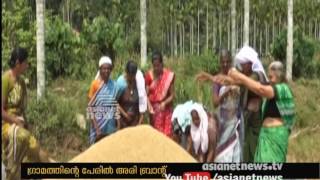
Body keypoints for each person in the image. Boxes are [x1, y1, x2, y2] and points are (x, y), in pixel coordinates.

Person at [212, 61, 295, 162]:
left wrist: (240, 76)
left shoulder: (282, 89)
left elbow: (260, 89)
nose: (269, 80)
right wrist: (225, 79)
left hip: (275, 136)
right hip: (265, 135)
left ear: (278, 75)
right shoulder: (272, 86)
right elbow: (250, 84)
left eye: (271, 77)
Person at [2, 47, 51, 180]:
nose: (27, 66)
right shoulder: (5, 79)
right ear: (18, 63)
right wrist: (15, 121)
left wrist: (26, 125)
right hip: (6, 125)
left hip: (19, 124)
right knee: (21, 136)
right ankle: (11, 175)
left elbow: (23, 109)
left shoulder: (22, 82)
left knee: (37, 149)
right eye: (25, 63)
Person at [196, 50, 242, 162]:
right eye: (223, 62)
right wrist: (225, 93)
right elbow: (215, 102)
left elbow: (239, 85)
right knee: (223, 152)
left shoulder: (236, 76)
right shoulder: (217, 80)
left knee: (236, 152)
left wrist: (209, 76)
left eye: (227, 62)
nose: (225, 64)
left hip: (236, 121)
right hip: (223, 122)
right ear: (220, 62)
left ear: (230, 61)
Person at [234, 46, 268, 162]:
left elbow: (247, 82)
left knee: (254, 150)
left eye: (244, 64)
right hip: (246, 119)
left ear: (250, 64)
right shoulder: (246, 76)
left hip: (254, 122)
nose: (242, 66)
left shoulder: (257, 75)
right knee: (245, 149)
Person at [88, 56, 119, 144]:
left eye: (108, 68)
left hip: (111, 124)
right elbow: (90, 107)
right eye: (104, 68)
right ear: (100, 69)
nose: (106, 71)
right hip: (98, 124)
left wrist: (118, 125)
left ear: (111, 70)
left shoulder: (114, 85)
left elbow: (115, 106)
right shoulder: (95, 84)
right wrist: (97, 128)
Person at [145, 51, 175, 137]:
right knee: (157, 135)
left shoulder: (168, 76)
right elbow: (146, 95)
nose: (156, 68)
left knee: (167, 135)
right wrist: (149, 106)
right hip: (154, 111)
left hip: (166, 109)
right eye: (154, 66)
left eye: (158, 66)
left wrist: (165, 103)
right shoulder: (149, 76)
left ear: (162, 64)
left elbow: (172, 95)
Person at [116, 61, 147, 129]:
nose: (131, 78)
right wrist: (125, 115)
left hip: (135, 121)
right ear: (126, 72)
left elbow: (142, 102)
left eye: (133, 76)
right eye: (129, 76)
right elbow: (115, 102)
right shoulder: (120, 83)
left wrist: (140, 121)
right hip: (123, 122)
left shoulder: (139, 82)